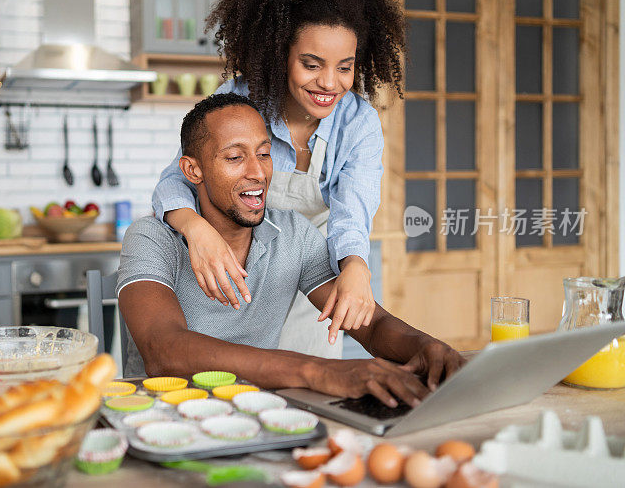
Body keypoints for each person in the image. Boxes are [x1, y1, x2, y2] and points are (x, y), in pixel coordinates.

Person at [119, 94, 464, 407]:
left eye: (265, 154)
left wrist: (424, 346)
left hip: (258, 411)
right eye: (235, 157)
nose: (257, 172)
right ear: (193, 170)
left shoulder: (293, 234)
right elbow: (163, 349)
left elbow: (369, 325)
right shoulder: (151, 237)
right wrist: (318, 371)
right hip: (164, 416)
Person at [151, 0, 407, 358]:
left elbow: (352, 212)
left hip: (311, 276)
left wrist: (356, 265)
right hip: (235, 273)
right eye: (311, 64)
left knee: (305, 386)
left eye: (345, 67)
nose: (329, 83)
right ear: (280, 54)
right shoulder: (238, 101)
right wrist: (196, 231)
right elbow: (174, 181)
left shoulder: (358, 123)